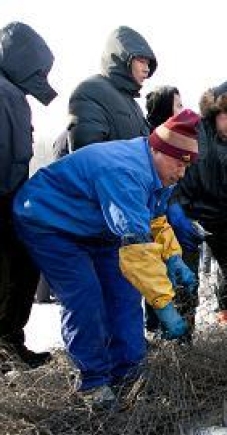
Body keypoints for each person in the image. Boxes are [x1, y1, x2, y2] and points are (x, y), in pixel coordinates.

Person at [13, 110, 201, 404]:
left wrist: (173, 257)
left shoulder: (161, 174)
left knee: (124, 294)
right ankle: (93, 382)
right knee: (85, 296)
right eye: (179, 163)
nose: (181, 173)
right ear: (157, 149)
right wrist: (164, 305)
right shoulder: (124, 171)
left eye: (186, 166)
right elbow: (137, 249)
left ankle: (129, 375)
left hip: (99, 227)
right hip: (50, 220)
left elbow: (153, 220)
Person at [170, 80, 227, 348]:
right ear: (215, 112)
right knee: (184, 280)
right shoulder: (191, 130)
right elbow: (169, 172)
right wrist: (174, 209)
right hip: (187, 214)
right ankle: (181, 340)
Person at [0, 22, 58, 368]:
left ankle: (9, 343)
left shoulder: (14, 94)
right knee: (7, 274)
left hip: (11, 195)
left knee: (22, 268)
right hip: (3, 195)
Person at [67, 26, 157, 151]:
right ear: (123, 58)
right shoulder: (91, 91)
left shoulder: (134, 105)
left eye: (148, 64)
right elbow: (87, 156)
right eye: (141, 61)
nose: (147, 69)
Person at [143, 85, 184, 333]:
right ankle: (157, 320)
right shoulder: (152, 143)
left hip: (164, 216)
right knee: (150, 264)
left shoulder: (181, 140)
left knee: (167, 268)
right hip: (147, 217)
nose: (182, 110)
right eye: (177, 105)